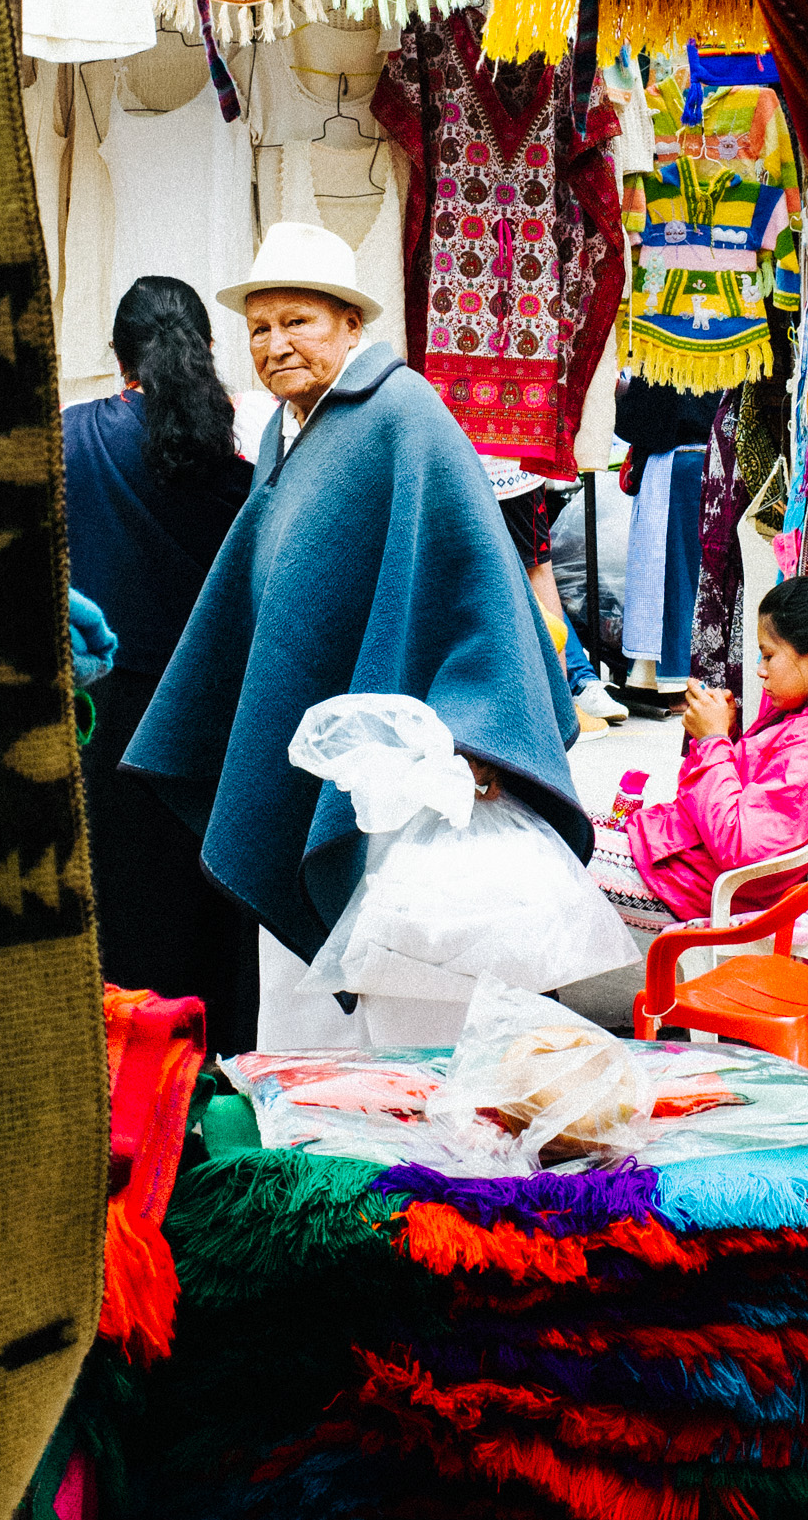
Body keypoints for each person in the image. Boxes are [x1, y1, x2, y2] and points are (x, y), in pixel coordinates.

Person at [122, 220, 590, 1012]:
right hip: (332, 759)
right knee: (315, 1004)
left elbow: (475, 579)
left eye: (297, 321)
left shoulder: (401, 414)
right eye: (259, 328)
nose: (275, 345)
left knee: (398, 999)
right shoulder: (284, 432)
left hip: (405, 779)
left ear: (351, 325)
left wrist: (476, 732)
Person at [64, 277, 255, 1047]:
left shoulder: (68, 437)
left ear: (117, 357)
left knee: (111, 909)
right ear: (210, 351)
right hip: (210, 720)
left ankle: (118, 1086)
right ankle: (210, 1092)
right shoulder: (242, 458)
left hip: (99, 717)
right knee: (207, 915)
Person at [590, 574, 808, 930]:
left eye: (769, 655)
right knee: (559, 823)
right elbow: (717, 803)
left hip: (691, 887)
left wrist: (714, 742)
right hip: (681, 863)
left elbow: (740, 848)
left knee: (558, 850)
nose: (760, 670)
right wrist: (721, 736)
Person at [481, 456, 629, 724]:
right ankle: (565, 698)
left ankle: (569, 692)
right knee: (535, 569)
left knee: (531, 569)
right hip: (513, 456)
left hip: (483, 455)